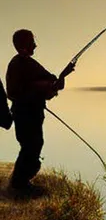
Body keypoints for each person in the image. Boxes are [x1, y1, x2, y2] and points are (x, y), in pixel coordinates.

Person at [6, 29, 74, 198]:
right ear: (22, 45)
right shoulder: (19, 64)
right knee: (31, 146)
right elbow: (16, 91)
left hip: (31, 113)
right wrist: (44, 86)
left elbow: (52, 84)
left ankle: (21, 182)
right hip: (25, 114)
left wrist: (62, 75)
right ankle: (19, 185)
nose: (35, 45)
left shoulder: (27, 63)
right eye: (32, 42)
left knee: (33, 145)